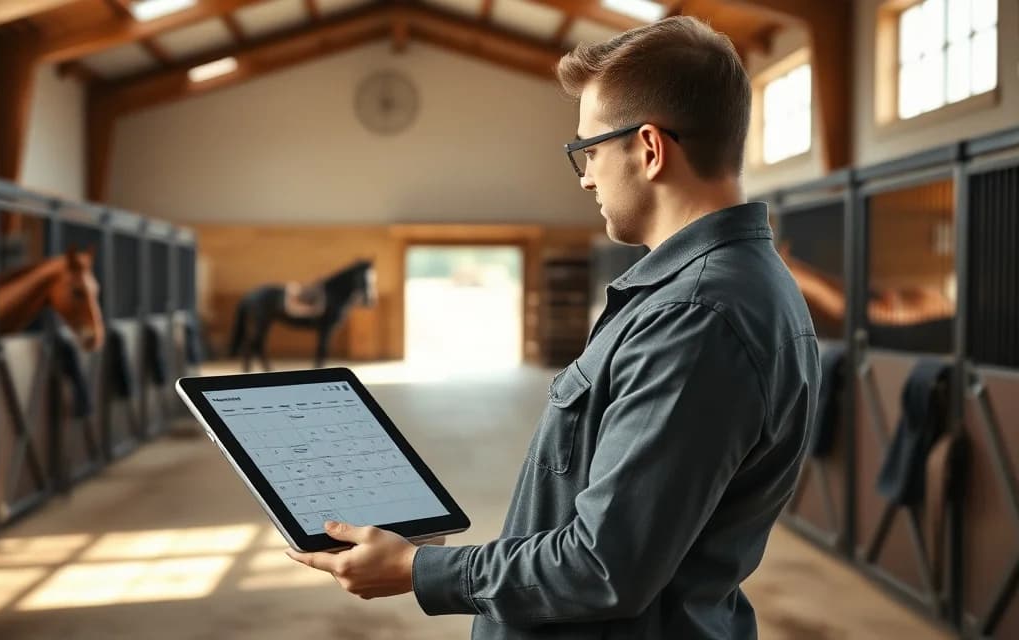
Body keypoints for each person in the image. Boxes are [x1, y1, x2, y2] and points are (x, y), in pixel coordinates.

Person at [286, 16, 821, 639]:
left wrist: (418, 569)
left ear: (649, 149)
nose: (588, 175)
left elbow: (603, 566)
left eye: (588, 150)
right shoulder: (715, 290)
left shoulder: (694, 319)